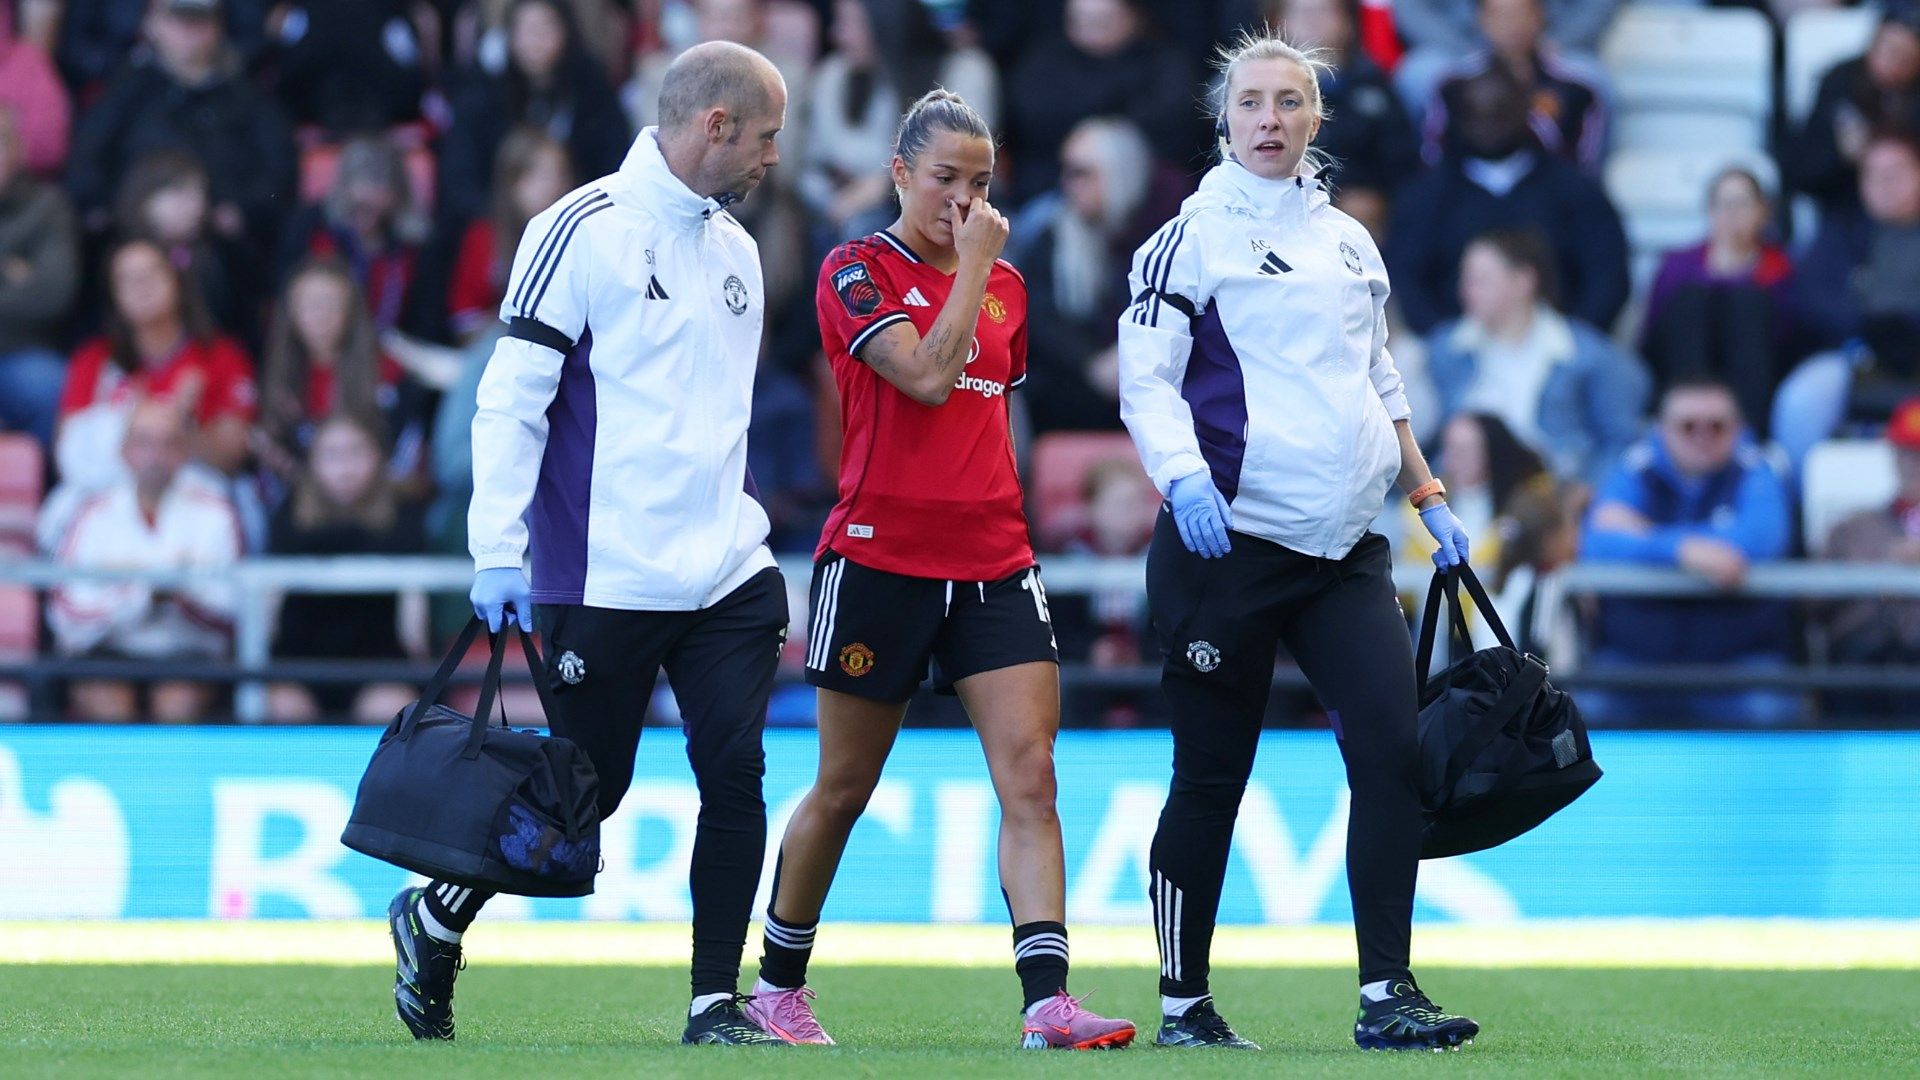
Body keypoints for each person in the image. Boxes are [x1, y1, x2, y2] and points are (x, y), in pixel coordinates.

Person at [387, 41, 793, 1048]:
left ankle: (714, 1004)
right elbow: (511, 400)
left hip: (729, 572)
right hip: (602, 574)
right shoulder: (578, 229)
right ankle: (436, 915)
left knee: (735, 774)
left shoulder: (737, 251)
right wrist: (497, 550)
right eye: (767, 137)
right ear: (716, 127)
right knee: (584, 797)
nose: (773, 158)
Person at [744, 88, 1136, 1052]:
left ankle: (1047, 1001)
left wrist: (978, 272)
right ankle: (776, 986)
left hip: (995, 558)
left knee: (1032, 776)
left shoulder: (1007, 287)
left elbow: (990, 405)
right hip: (880, 559)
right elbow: (925, 375)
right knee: (845, 784)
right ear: (898, 175)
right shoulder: (856, 270)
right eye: (945, 180)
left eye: (981, 184)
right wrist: (974, 267)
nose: (964, 201)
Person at [1118, 32, 1479, 1052]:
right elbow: (1146, 382)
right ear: (1223, 122)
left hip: (1344, 549)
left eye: (1289, 102)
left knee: (1393, 752)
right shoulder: (1187, 240)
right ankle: (1185, 1004)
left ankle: (1386, 995)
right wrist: (1184, 481)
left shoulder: (1350, 241)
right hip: (1225, 550)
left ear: (1317, 118)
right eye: (1250, 104)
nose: (1269, 120)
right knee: (1211, 776)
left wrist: (1427, 496)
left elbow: (1382, 378)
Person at [1581, 378, 1800, 728]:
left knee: (1771, 709)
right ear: (1660, 429)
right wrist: (1683, 549)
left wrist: (1645, 536)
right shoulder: (1634, 467)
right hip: (1635, 661)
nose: (1703, 435)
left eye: (1717, 426)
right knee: (1584, 708)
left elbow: (1762, 539)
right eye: (1687, 426)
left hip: (1736, 662)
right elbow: (1596, 543)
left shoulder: (1757, 468)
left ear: (1739, 429)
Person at [1386, 62, 1630, 336]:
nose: (1487, 124)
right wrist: (1449, 343)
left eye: (1499, 112)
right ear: (1458, 117)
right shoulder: (1426, 196)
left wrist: (1569, 344)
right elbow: (1408, 282)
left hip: (1562, 350)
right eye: (1474, 113)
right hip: (1453, 350)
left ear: (1525, 111)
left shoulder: (1575, 190)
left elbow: (1608, 278)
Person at [47, 237, 254, 548]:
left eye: (150, 274)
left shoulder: (220, 356)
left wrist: (181, 425)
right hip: (110, 509)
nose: (141, 287)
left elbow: (231, 458)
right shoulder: (93, 360)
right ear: (114, 294)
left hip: (193, 510)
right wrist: (128, 424)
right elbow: (69, 453)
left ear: (176, 280)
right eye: (127, 280)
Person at [48, 399, 241, 722]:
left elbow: (232, 612)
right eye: (144, 442)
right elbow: (67, 612)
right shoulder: (93, 512)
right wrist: (142, 597)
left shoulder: (215, 511)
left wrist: (179, 597)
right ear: (124, 450)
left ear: (185, 451)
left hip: (187, 653)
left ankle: (175, 773)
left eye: (168, 443)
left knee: (177, 702)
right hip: (108, 651)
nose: (156, 455)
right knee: (108, 701)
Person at [1424, 228, 1650, 482]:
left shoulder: (1587, 354)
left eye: (1481, 280)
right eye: (1465, 280)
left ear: (1523, 281)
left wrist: (1589, 490)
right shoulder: (1445, 349)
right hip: (1461, 494)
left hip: (1554, 497)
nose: (1466, 291)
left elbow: (1621, 438)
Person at [65, 0, 294, 240]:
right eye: (179, 20)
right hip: (132, 232)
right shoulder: (127, 89)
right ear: (151, 24)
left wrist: (244, 211)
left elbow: (279, 171)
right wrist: (111, 211)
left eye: (200, 21)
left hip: (218, 237)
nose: (190, 31)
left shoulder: (246, 95)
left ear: (219, 26)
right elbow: (87, 160)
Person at [1772, 132, 1920, 476]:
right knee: (1802, 400)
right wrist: (1866, 327)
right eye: (1874, 175)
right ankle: (1799, 505)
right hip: (1852, 354)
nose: (1885, 184)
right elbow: (1809, 297)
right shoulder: (1840, 228)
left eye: (1896, 172)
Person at [266, 414, 423, 723]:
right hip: (300, 663)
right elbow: (268, 599)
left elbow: (415, 611)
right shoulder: (288, 515)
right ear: (312, 462)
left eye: (356, 452)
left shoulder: (403, 517)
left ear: (378, 458)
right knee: (283, 708)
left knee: (391, 708)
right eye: (332, 455)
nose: (345, 467)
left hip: (378, 663)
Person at [1013, 117, 1160, 434]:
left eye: (1083, 172)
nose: (1068, 182)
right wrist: (1091, 361)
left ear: (1119, 173)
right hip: (1070, 393)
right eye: (1066, 170)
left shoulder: (1160, 235)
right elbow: (1038, 318)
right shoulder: (1050, 237)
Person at [438, 0, 630, 222]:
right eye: (527, 29)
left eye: (545, 27)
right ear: (509, 35)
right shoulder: (482, 97)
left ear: (566, 31)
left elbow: (613, 165)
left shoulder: (594, 94)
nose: (536, 40)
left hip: (581, 218)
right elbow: (461, 179)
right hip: (499, 225)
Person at [1640, 166, 1795, 439]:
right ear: (1709, 211)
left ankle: (1745, 435)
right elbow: (1654, 333)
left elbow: (1785, 340)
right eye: (1724, 204)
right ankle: (1685, 422)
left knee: (1748, 304)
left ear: (1763, 211)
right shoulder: (1677, 264)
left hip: (1752, 381)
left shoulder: (1781, 269)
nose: (1732, 214)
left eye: (1742, 204)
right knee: (1692, 300)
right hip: (1682, 369)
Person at [1002, 0, 1199, 204]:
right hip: (1051, 186)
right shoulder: (1045, 59)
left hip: (1141, 187)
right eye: (1080, 21)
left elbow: (1170, 122)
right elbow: (1031, 120)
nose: (1090, 31)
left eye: (1102, 22)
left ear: (1135, 17)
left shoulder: (1163, 63)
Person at [256, 257, 426, 490]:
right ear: (291, 313)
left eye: (331, 304)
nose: (320, 316)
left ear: (351, 311)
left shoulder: (387, 370)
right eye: (309, 304)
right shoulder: (280, 376)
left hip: (380, 497)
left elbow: (407, 457)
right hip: (305, 503)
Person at [1419, 0, 1610, 173]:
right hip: (1466, 198)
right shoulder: (1453, 85)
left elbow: (1583, 167)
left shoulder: (1577, 88)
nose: (1512, 25)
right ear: (1480, 19)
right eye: (1501, 15)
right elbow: (1437, 158)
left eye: (1521, 13)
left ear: (1540, 15)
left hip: (1551, 198)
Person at [1819, 395, 1920, 717]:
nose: (1916, 463)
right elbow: (1811, 604)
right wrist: (1877, 577)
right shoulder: (1851, 529)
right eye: (1908, 453)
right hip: (1866, 667)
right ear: (1892, 455)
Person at [1271, 0, 1418, 217]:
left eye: (1323, 11)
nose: (1312, 21)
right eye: (1300, 12)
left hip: (1362, 212)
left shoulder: (1376, 87)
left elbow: (1403, 164)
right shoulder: (1256, 90)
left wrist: (1373, 197)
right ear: (1277, 23)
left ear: (1348, 23)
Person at [274, 135, 430, 334]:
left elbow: (424, 320)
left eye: (377, 211)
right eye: (360, 208)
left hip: (393, 349)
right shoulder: (309, 228)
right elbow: (287, 296)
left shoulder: (414, 245)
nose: (368, 220)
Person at [1391, 0, 1617, 125]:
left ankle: (1587, 184)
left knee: (1594, 78)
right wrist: (1464, 49)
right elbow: (1411, 8)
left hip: (1550, 39)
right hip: (1458, 44)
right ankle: (1422, 176)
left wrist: (1560, 40)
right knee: (1418, 74)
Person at [446, 128, 575, 342]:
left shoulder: (578, 236)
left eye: (562, 174)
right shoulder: (485, 237)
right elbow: (463, 318)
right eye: (543, 176)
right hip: (495, 351)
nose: (555, 187)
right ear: (513, 181)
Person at [1791, 5, 1920, 219]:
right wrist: (1840, 154)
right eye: (1889, 50)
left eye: (1905, 58)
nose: (1893, 65)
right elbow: (1800, 171)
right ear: (1874, 42)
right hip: (1847, 209)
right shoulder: (1840, 82)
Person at [0, 104, 79, 449]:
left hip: (18, 352)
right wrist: (11, 269)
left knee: (53, 386)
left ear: (19, 149)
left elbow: (52, 295)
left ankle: (48, 495)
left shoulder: (48, 205)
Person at [112, 149, 252, 341]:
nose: (196, 205)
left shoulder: (215, 253)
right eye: (181, 193)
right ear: (144, 199)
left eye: (200, 194)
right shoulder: (125, 256)